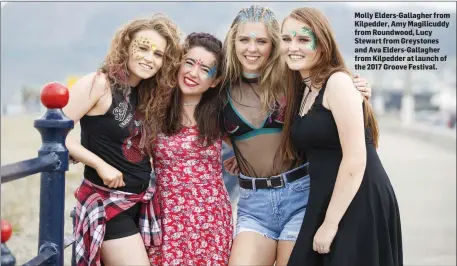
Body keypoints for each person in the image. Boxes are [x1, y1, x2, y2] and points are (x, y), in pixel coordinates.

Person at [220, 5, 372, 266]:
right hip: (253, 203)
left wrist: (358, 90)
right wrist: (241, 153)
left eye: (262, 41)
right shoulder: (220, 87)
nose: (252, 48)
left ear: (274, 44)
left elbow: (327, 109)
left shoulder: (292, 79)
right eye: (244, 40)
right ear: (233, 41)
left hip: (301, 195)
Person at [279, 7, 403, 266]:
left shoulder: (337, 83)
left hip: (357, 198)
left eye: (303, 39)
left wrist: (330, 223)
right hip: (326, 197)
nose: (293, 47)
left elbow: (356, 158)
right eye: (287, 39)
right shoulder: (304, 88)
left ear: (322, 45)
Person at [63, 14, 182, 266]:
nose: (149, 58)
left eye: (158, 54)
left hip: (139, 204)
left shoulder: (147, 95)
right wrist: (99, 164)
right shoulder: (98, 84)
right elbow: (57, 135)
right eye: (143, 48)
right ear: (126, 46)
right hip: (109, 205)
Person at [149, 32, 233, 265]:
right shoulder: (155, 110)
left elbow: (250, 144)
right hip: (167, 219)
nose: (193, 73)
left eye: (205, 69)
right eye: (189, 63)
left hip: (211, 221)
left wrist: (240, 159)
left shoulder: (219, 116)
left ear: (215, 81)